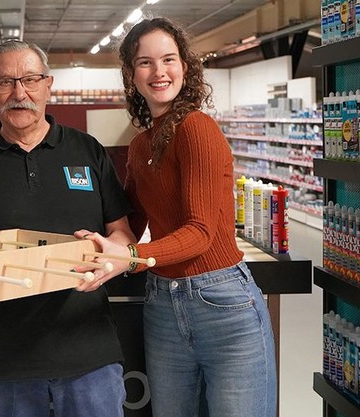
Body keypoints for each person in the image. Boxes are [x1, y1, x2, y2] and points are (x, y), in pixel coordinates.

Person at [76, 17, 277, 417]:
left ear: (185, 66)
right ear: (131, 75)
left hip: (223, 304)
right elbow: (130, 223)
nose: (159, 71)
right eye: (145, 62)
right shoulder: (141, 146)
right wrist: (96, 245)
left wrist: (131, 257)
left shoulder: (197, 128)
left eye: (168, 59)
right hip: (163, 306)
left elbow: (200, 233)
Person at [0, 40, 135, 417]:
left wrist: (114, 258)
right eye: (5, 82)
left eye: (30, 79)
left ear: (49, 85)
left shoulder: (88, 151)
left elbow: (122, 234)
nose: (19, 93)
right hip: (1, 365)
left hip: (88, 356)